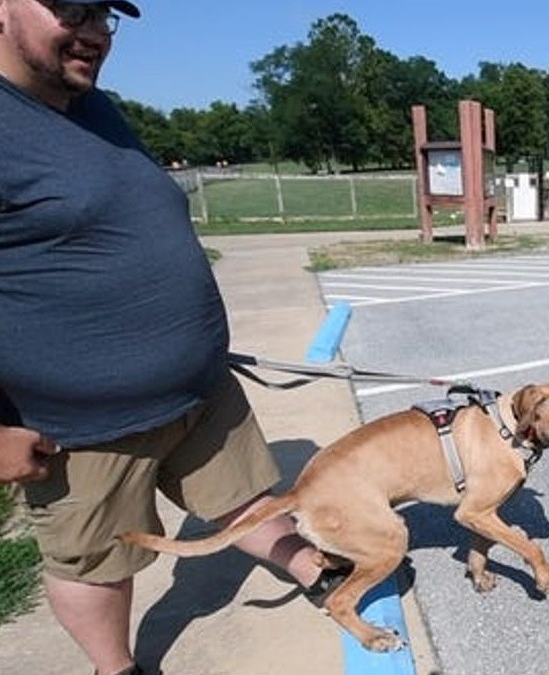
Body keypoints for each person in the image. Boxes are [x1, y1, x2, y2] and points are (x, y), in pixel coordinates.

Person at [0, 3, 341, 674]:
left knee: (244, 496)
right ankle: (115, 666)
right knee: (96, 559)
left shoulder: (93, 106)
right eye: (72, 8)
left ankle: (312, 566)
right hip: (85, 421)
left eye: (105, 13)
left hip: (197, 385)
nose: (95, 30)